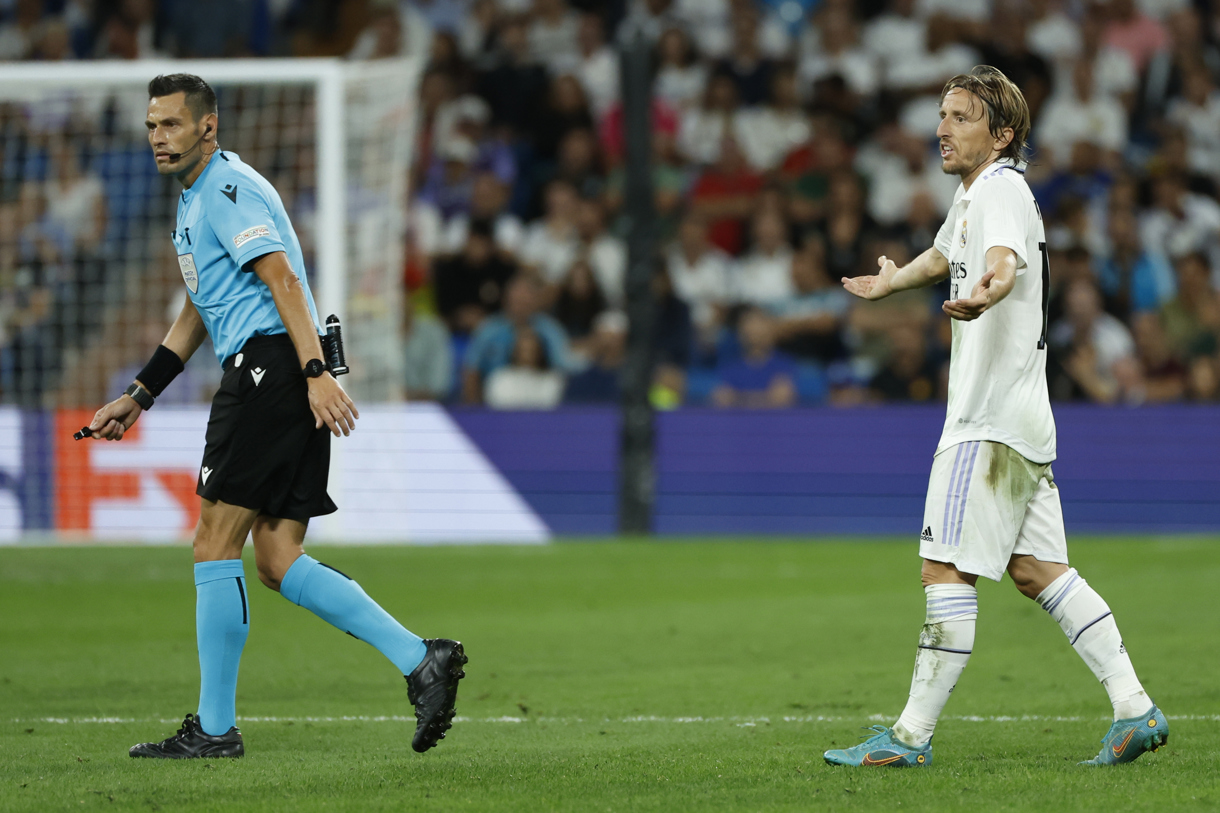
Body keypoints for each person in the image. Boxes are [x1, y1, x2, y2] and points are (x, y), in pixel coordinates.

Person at [83, 75, 467, 759]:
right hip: (284, 370)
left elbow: (283, 278)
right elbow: (200, 311)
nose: (157, 138)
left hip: (269, 368)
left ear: (209, 126)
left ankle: (215, 727)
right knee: (277, 556)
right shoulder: (193, 202)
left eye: (171, 125)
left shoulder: (229, 190)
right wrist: (142, 392)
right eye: (151, 126)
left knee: (212, 541)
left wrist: (315, 372)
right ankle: (421, 658)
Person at [825, 66, 1166, 768]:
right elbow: (946, 252)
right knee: (1040, 570)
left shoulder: (1003, 188)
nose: (942, 128)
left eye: (960, 116)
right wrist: (893, 282)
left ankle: (909, 737)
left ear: (1001, 134)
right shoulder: (974, 195)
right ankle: (1136, 709)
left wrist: (989, 290)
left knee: (943, 566)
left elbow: (1002, 261)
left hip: (984, 420)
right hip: (1023, 419)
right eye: (942, 114)